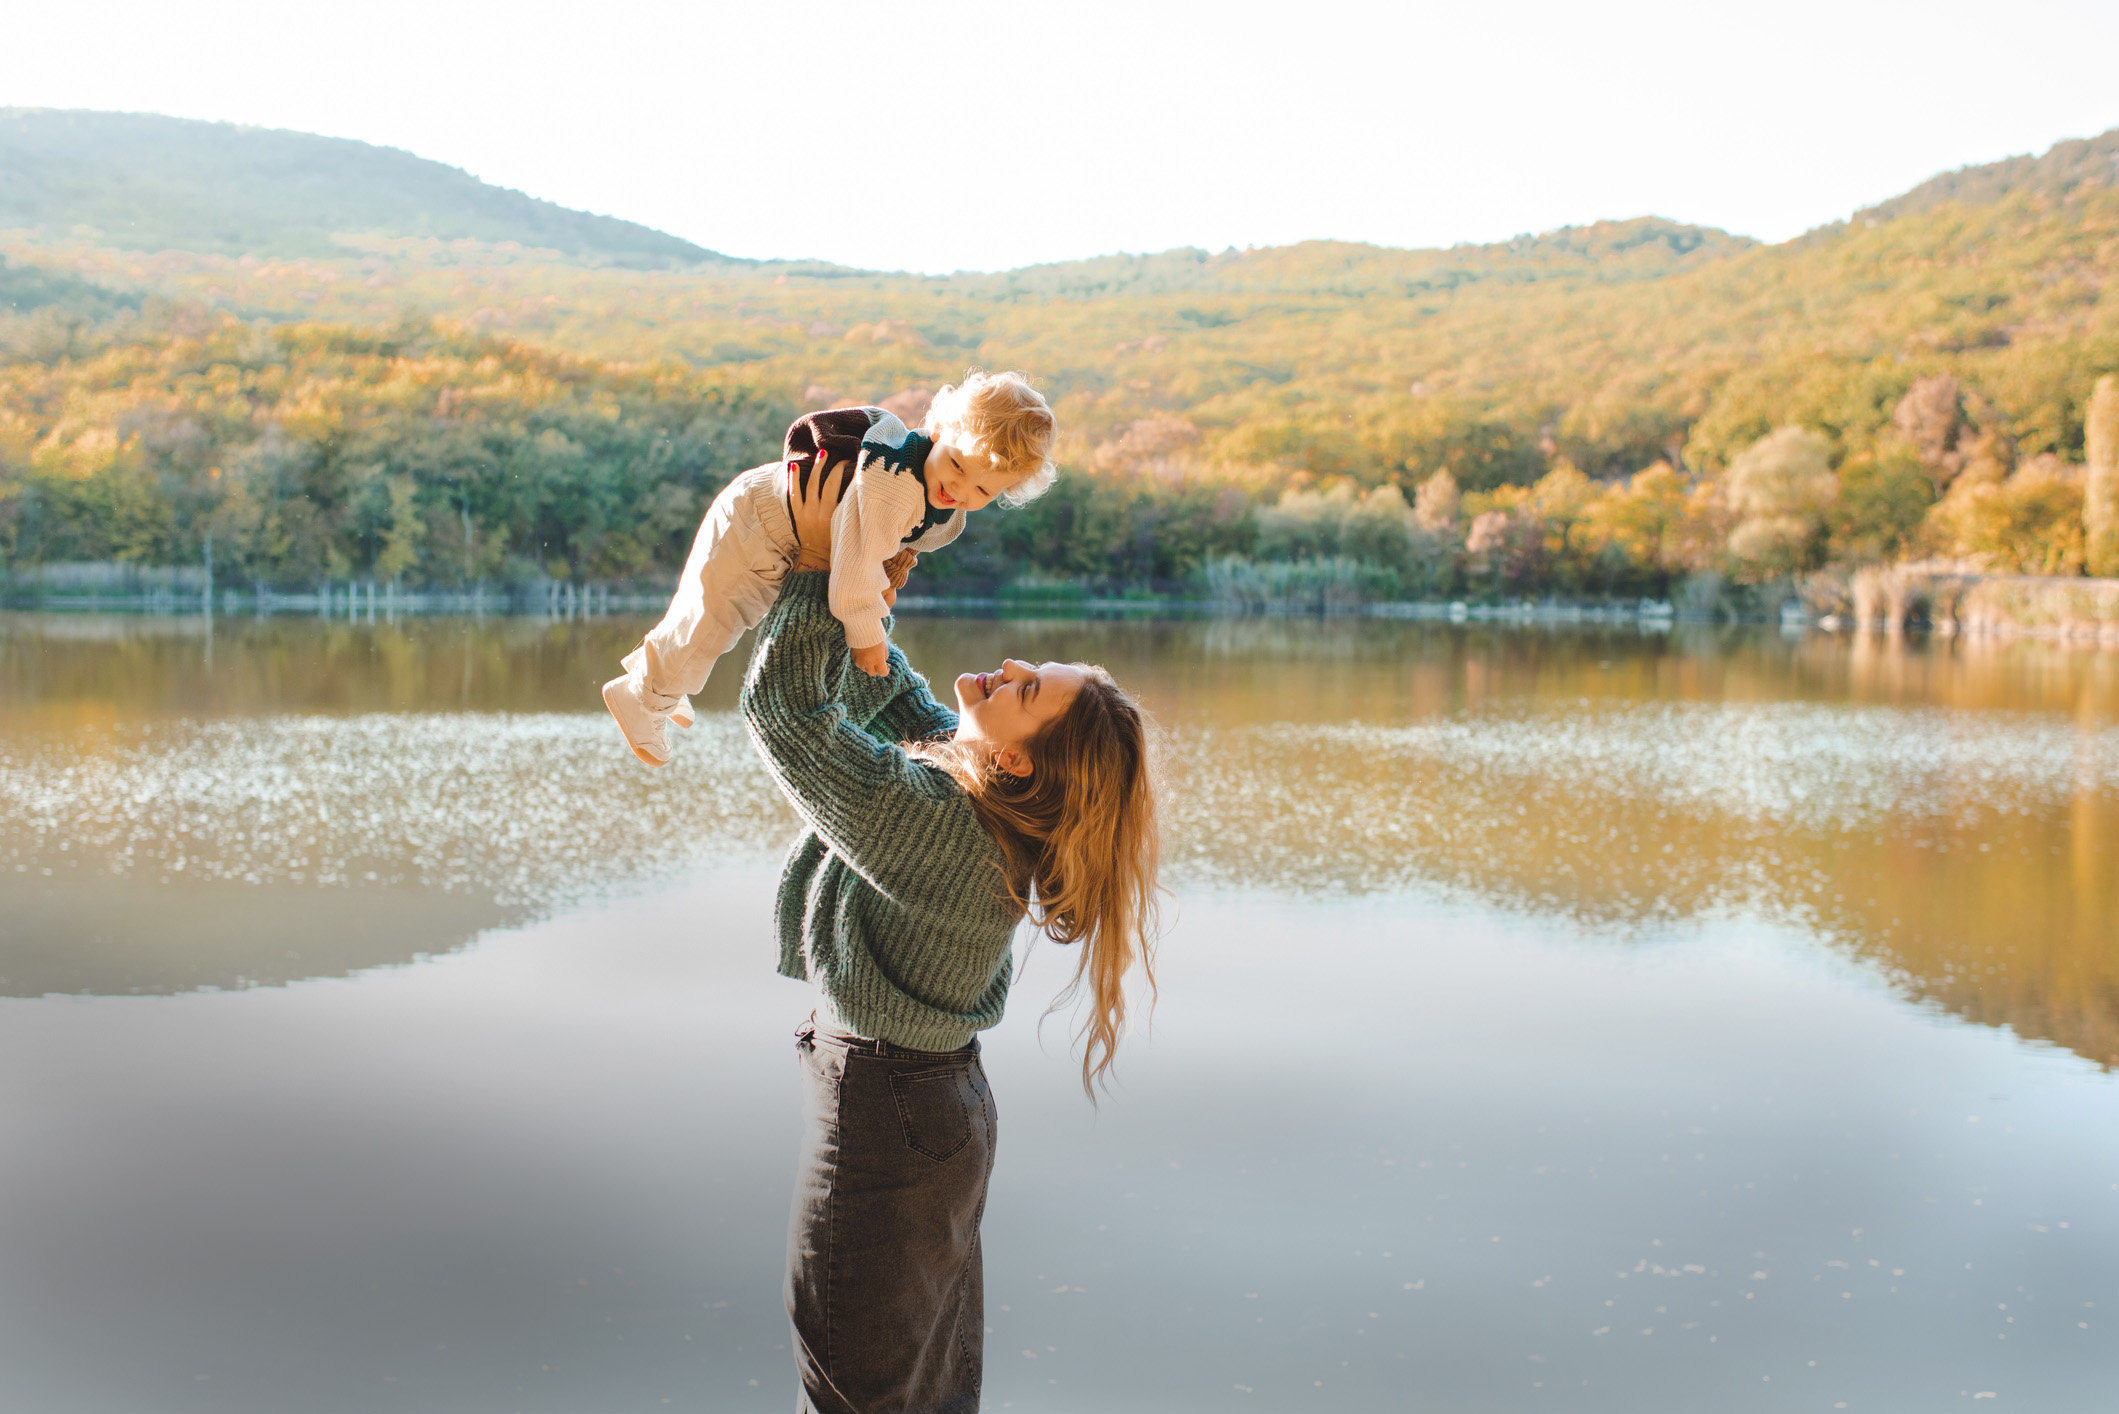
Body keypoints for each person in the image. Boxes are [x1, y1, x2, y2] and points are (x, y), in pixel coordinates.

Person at [739, 453, 1161, 1413]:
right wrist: (867, 579)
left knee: (856, 1390)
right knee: (917, 1389)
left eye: (1025, 689)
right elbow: (894, 705)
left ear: (1015, 761)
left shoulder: (944, 822)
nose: (1009, 667)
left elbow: (783, 714)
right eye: (1028, 668)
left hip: (888, 1115)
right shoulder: (993, 802)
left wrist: (816, 563)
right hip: (930, 1106)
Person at [602, 371, 1058, 767]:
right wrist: (868, 637)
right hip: (761, 521)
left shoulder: (944, 504)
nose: (958, 489)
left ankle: (657, 680)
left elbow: (903, 545)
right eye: (956, 464)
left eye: (981, 489)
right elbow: (854, 572)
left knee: (715, 618)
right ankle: (642, 697)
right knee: (717, 617)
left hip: (782, 531)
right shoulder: (895, 484)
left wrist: (893, 576)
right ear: (938, 431)